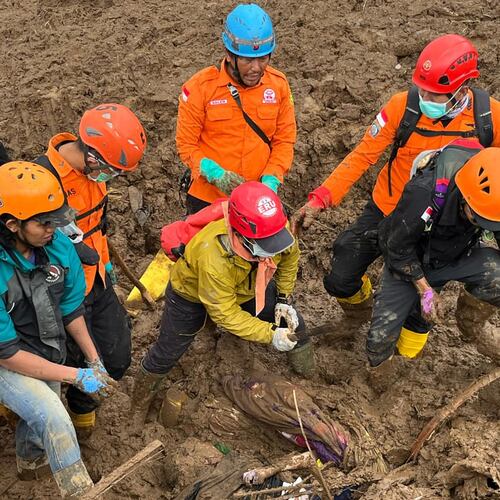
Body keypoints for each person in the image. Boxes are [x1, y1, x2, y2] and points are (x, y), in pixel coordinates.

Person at [292, 34, 500, 338]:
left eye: (434, 95)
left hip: (443, 223)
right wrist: (320, 199)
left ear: (462, 90)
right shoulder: (404, 107)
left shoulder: (488, 116)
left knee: (421, 306)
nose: (424, 99)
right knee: (341, 273)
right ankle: (358, 313)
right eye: (421, 90)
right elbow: (362, 157)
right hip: (388, 209)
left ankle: (462, 326)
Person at [132, 182, 313, 421]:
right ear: (241, 234)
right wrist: (270, 335)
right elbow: (225, 315)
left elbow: (290, 256)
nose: (273, 249)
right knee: (168, 350)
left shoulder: (274, 231)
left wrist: (282, 298)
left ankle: (308, 379)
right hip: (191, 294)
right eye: (266, 246)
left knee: (294, 323)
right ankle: (137, 407)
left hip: (247, 285)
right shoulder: (213, 257)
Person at [0, 161, 116, 497]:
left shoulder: (58, 248)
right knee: (54, 416)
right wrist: (75, 376)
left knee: (43, 404)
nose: (54, 228)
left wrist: (93, 361)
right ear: (11, 224)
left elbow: (70, 310)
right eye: (44, 222)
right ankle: (79, 491)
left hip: (45, 347)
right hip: (7, 358)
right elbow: (6, 352)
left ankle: (30, 463)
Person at [35, 103, 147, 436]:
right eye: (111, 170)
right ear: (93, 155)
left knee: (115, 358)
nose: (111, 179)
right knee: (55, 360)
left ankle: (82, 408)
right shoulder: (44, 179)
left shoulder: (92, 175)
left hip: (95, 279)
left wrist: (106, 265)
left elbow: (100, 222)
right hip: (57, 290)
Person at [366, 141, 500, 387]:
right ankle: (381, 383)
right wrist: (425, 290)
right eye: (477, 217)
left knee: (497, 276)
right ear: (464, 195)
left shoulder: (493, 203)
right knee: (380, 337)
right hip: (410, 260)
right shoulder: (423, 194)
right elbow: (396, 247)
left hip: (460, 253)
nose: (482, 225)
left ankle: (469, 319)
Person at [176, 3, 296, 214]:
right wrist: (213, 173)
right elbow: (186, 145)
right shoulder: (200, 88)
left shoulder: (279, 86)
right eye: (248, 60)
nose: (256, 68)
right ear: (230, 55)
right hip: (208, 199)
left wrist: (271, 179)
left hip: (258, 199)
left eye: (263, 58)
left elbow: (284, 140)